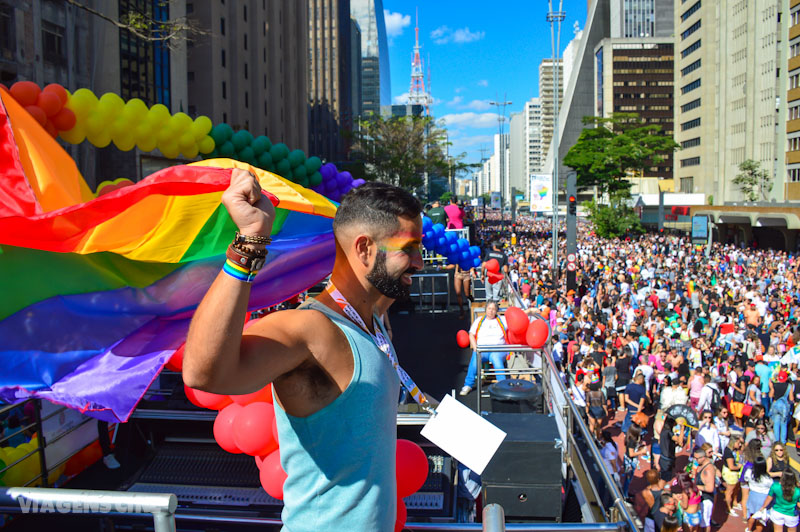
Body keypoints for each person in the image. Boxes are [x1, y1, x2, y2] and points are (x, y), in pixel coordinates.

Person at [183, 175, 427, 531]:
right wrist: (249, 241)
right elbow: (203, 374)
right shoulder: (310, 330)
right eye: (409, 249)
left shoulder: (372, 322)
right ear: (364, 250)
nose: (420, 263)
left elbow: (377, 286)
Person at [460, 301, 508, 395]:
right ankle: (468, 385)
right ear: (486, 309)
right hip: (482, 349)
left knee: (496, 359)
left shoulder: (502, 320)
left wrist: (530, 310)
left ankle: (502, 386)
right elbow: (471, 334)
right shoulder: (479, 320)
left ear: (496, 311)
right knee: (475, 358)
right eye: (489, 308)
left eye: (493, 309)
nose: (491, 311)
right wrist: (475, 348)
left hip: (498, 349)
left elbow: (515, 318)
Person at [691, 447, 716, 532]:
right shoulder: (701, 465)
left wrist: (695, 486)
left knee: (705, 523)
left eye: (697, 458)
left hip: (706, 500)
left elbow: (710, 488)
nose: (695, 460)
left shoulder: (708, 470)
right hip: (700, 498)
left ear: (703, 457)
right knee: (701, 522)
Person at [744, 455, 772, 532]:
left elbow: (746, 479)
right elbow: (771, 487)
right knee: (760, 517)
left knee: (752, 514)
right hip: (763, 498)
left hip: (752, 495)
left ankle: (749, 529)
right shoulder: (767, 479)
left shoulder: (749, 473)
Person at [721, 435, 744, 516]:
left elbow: (742, 449)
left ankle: (734, 502)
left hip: (736, 473)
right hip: (730, 474)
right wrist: (739, 466)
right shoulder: (728, 452)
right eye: (738, 443)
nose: (740, 444)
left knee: (736, 488)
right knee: (729, 491)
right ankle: (728, 508)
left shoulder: (734, 449)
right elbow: (731, 467)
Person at [770, 370, 794, 444]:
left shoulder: (775, 385)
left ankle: (776, 440)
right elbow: (791, 398)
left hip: (775, 405)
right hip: (784, 406)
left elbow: (770, 395)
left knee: (776, 423)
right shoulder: (789, 386)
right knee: (783, 424)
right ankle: (783, 441)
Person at [658, 415, 680, 482]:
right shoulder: (669, 433)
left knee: (662, 477)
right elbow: (680, 441)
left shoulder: (663, 430)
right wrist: (682, 428)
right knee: (665, 479)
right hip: (667, 459)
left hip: (662, 457)